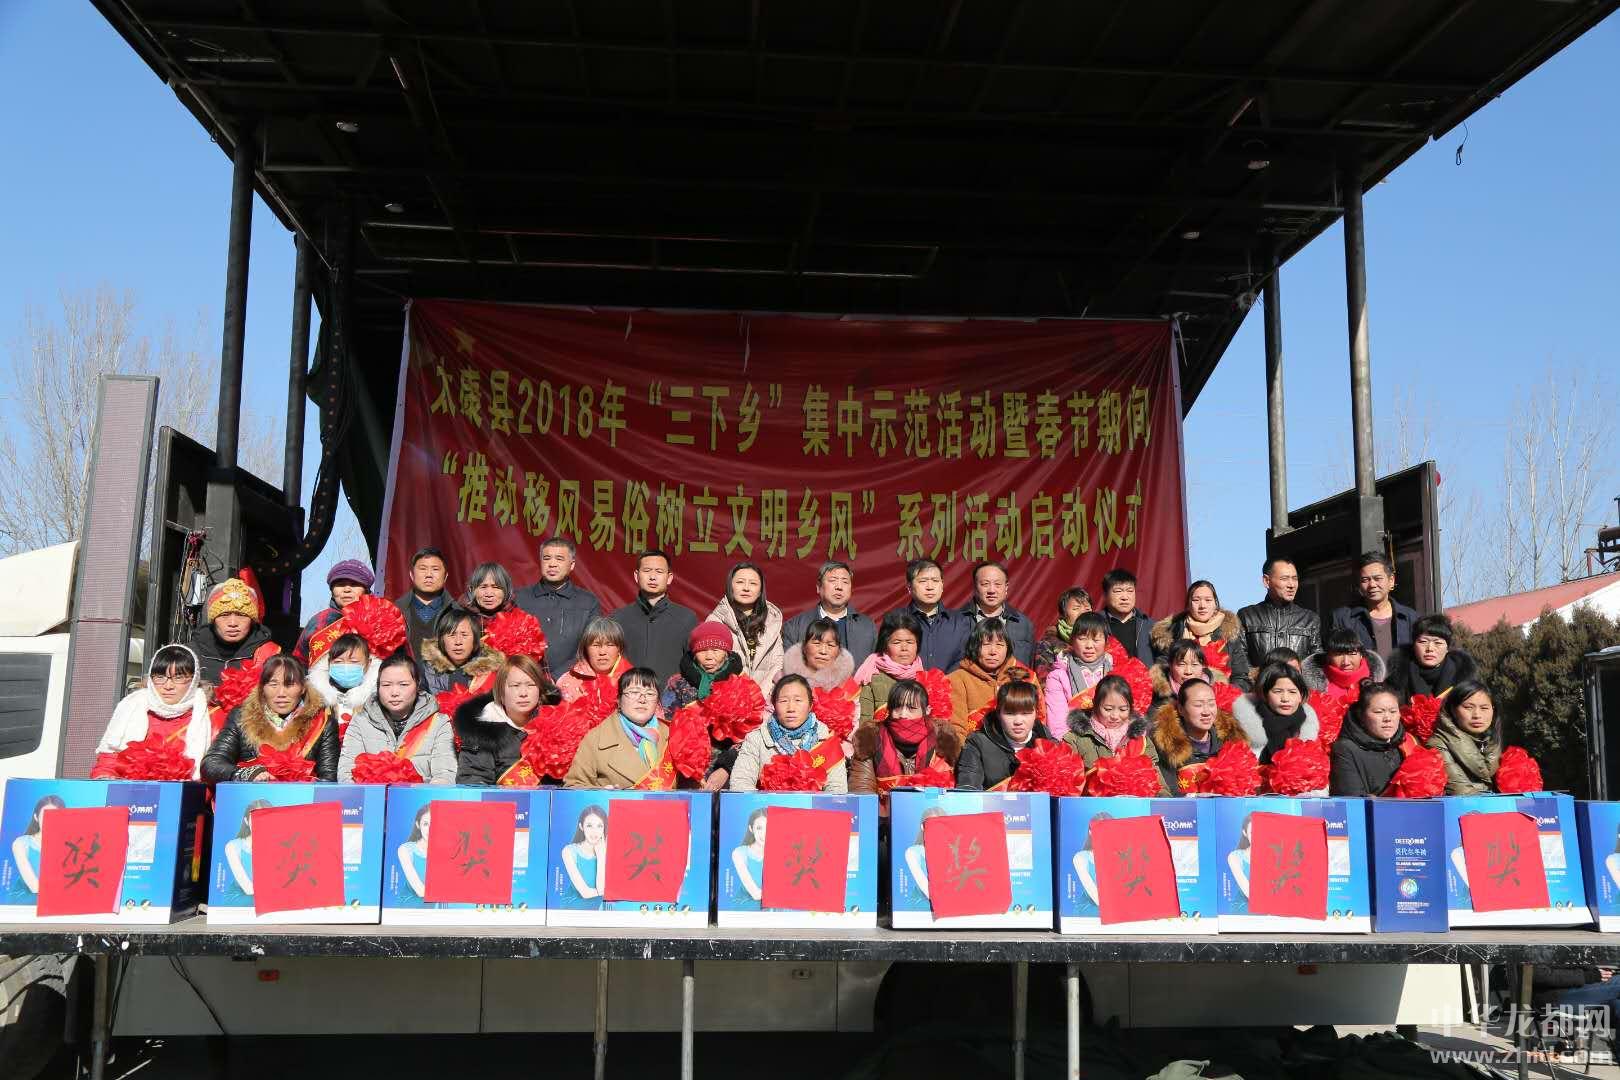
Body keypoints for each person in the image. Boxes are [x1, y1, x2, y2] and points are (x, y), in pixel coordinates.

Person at [200, 655, 338, 782]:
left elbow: (328, 777)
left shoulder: (322, 722)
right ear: (262, 687)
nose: (281, 693)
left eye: (289, 684)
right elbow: (212, 763)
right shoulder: (242, 716)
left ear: (303, 688)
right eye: (273, 684)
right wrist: (246, 774)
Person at [92, 644, 212, 779]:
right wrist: (105, 777)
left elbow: (216, 770)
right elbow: (109, 761)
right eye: (160, 677)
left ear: (194, 679)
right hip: (132, 789)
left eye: (178, 677)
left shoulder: (210, 716)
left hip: (189, 790)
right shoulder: (131, 708)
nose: (168, 686)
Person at [338, 651, 456, 784]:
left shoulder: (438, 723)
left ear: (417, 684)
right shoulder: (361, 722)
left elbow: (445, 776)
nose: (394, 693)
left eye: (403, 685)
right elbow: (346, 773)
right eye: (386, 685)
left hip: (421, 796)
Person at [450, 655, 559, 786]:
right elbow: (473, 782)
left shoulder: (557, 726)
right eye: (515, 685)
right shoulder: (481, 730)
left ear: (540, 690)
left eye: (531, 685)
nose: (523, 693)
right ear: (501, 692)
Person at [729, 675, 848, 792]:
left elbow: (837, 791)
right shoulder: (756, 739)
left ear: (810, 705)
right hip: (767, 805)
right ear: (774, 705)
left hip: (814, 805)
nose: (791, 708)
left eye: (798, 700)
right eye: (783, 701)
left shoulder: (826, 740)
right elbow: (740, 784)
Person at [848, 678, 960, 797]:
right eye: (897, 707)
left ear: (926, 710)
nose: (903, 714)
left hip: (932, 806)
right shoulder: (870, 739)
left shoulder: (944, 740)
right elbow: (862, 789)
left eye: (911, 708)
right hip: (884, 808)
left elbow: (952, 790)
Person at [565, 668, 674, 789]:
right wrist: (601, 793)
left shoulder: (672, 736)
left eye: (650, 694)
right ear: (619, 700)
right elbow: (574, 785)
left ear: (657, 702)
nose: (642, 700)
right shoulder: (596, 739)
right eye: (634, 692)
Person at [1061, 674, 1167, 792]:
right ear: (1095, 704)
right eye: (1108, 709)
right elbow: (1067, 785)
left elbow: (1157, 783)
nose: (1115, 716)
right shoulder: (1074, 739)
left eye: (1123, 709)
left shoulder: (1141, 741)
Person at [514, 536, 602, 678]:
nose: (552, 564)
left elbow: (591, 648)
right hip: (524, 679)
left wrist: (557, 677)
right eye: (547, 558)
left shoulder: (587, 602)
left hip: (570, 681)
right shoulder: (519, 598)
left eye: (559, 559)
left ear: (572, 565)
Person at [611, 549, 699, 686]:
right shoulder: (618, 618)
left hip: (671, 697)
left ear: (669, 578)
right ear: (636, 576)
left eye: (659, 571)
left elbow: (695, 665)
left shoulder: (686, 618)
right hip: (629, 695)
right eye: (647, 571)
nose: (652, 577)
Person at [946, 617, 1038, 738]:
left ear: (1008, 648)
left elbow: (1039, 721)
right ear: (974, 647)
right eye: (986, 644)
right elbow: (956, 730)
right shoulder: (957, 679)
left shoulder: (1024, 676)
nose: (993, 651)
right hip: (974, 747)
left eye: (999, 645)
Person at [1151, 677, 1245, 795]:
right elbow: (1168, 795)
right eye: (1198, 705)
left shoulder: (1230, 743)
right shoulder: (1167, 747)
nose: (1206, 712)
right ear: (1181, 709)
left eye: (1211, 704)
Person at [1151, 580, 1250, 686]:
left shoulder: (1229, 633)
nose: (1202, 606)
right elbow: (1163, 672)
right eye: (1196, 600)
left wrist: (1225, 694)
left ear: (1215, 603)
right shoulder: (1172, 632)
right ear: (1188, 604)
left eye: (1208, 600)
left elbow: (1240, 676)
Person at [956, 680, 1049, 791]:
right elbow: (968, 788)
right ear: (999, 714)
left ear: (1036, 713)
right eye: (1010, 713)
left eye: (1026, 713)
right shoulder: (977, 743)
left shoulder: (1049, 745)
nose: (1018, 721)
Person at [781, 561, 877, 669]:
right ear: (818, 587)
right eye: (833, 580)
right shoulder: (795, 627)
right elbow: (789, 669)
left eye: (845, 582)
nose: (839, 587)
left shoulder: (867, 626)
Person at [706, 562, 784, 693]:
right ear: (730, 586)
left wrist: (759, 696)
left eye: (753, 583)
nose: (746, 588)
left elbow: (777, 664)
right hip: (728, 697)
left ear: (760, 591)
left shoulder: (772, 621)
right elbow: (710, 665)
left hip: (765, 697)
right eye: (740, 582)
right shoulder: (715, 622)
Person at [1330, 551, 1419, 666]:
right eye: (1365, 580)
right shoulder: (1342, 618)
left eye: (1377, 578)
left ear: (1391, 581)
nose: (1372, 585)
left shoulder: (1410, 618)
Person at [189, 575, 279, 685]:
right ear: (213, 620)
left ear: (252, 620)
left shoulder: (270, 655)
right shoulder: (188, 654)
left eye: (241, 615)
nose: (233, 623)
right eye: (224, 615)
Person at [887, 558, 970, 672]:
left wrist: (942, 680)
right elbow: (887, 658)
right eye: (923, 581)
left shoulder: (960, 621)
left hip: (951, 682)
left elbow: (965, 660)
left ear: (942, 585)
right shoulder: (895, 620)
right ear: (909, 588)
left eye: (935, 581)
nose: (930, 587)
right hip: (907, 683)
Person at [1329, 680, 1408, 797]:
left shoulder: (1406, 745)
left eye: (1393, 711)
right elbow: (1351, 799)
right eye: (1379, 712)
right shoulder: (1346, 749)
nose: (1388, 718)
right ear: (1361, 715)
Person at [1426, 680, 1504, 795]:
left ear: (1493, 709)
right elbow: (1460, 790)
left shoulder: (1492, 743)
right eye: (1468, 707)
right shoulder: (1438, 744)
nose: (1477, 715)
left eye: (1484, 708)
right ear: (1453, 710)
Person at [1237, 558, 1321, 665]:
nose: (1291, 585)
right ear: (1266, 581)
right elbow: (1239, 662)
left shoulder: (1310, 619)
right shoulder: (1247, 616)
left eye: (1295, 579)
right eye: (1284, 579)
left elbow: (1316, 663)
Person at [1231, 662, 1320, 763]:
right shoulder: (1243, 727)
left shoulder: (1308, 728)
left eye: (1292, 692)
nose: (1285, 698)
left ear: (1301, 696)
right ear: (1265, 694)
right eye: (1277, 691)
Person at [1043, 612, 1113, 738]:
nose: (1089, 646)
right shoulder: (1058, 677)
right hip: (1076, 741)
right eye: (1082, 639)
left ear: (1106, 641)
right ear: (1072, 640)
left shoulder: (1117, 670)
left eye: (1096, 640)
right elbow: (1057, 726)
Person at [293, 559, 373, 662]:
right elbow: (299, 662)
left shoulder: (379, 620)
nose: (347, 590)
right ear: (332, 591)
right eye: (340, 584)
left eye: (354, 584)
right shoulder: (319, 621)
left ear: (366, 590)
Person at [959, 561, 1036, 668]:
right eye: (985, 584)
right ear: (975, 587)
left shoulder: (1023, 624)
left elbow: (1029, 664)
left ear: (1006, 587)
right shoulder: (956, 621)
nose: (992, 590)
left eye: (997, 584)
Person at [1387, 614, 1478, 701]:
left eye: (1438, 643)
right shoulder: (1397, 679)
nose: (1430, 649)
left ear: (1447, 648)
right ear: (1413, 645)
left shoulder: (1463, 680)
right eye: (1423, 642)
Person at [854, 611, 924, 724]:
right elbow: (865, 725)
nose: (904, 648)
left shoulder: (927, 679)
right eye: (897, 642)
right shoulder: (870, 678)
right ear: (885, 645)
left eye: (910, 642)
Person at [420, 605, 506, 697]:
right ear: (441, 640)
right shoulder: (427, 670)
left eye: (464, 635)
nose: (458, 642)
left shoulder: (492, 672)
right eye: (452, 635)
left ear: (475, 640)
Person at [663, 620, 747, 713]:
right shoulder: (677, 683)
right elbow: (667, 717)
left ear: (726, 654)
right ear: (694, 655)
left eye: (715, 650)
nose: (709, 657)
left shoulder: (740, 682)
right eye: (702, 650)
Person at [306, 632, 379, 738]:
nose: (346, 667)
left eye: (353, 661)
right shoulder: (314, 697)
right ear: (329, 663)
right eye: (338, 661)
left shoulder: (378, 697)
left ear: (369, 663)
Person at [556, 615, 633, 702]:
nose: (602, 652)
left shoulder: (634, 682)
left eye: (609, 645)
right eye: (596, 645)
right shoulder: (567, 682)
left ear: (620, 648)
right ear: (585, 649)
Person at [394, 547, 451, 659]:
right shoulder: (394, 612)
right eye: (423, 569)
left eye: (435, 569)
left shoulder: (458, 613)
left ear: (445, 576)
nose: (429, 574)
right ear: (411, 575)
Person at [1302, 627, 1387, 702]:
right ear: (1328, 656)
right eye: (1338, 654)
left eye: (1352, 653)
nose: (1346, 662)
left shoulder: (1379, 685)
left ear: (1361, 654)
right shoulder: (1311, 690)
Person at [1148, 639, 1228, 717]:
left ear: (1203, 666)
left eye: (1194, 664)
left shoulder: (1219, 692)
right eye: (1182, 664)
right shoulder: (1156, 696)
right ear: (1171, 665)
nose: (1188, 671)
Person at [1033, 586, 1093, 679]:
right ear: (1064, 614)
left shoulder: (1102, 640)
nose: (1083, 612)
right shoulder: (1048, 644)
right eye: (1076, 608)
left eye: (1087, 608)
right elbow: (1044, 678)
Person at [781, 616, 855, 691]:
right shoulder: (784, 683)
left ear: (839, 651)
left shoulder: (848, 686)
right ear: (804, 647)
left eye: (830, 645)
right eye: (817, 643)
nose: (823, 651)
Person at [1100, 568, 1154, 666]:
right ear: (1105, 595)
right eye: (1118, 591)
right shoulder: (1096, 623)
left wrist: (1155, 672)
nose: (1125, 597)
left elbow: (1165, 657)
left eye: (1130, 591)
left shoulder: (1149, 625)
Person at [10, 796, 65, 893]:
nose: (51, 821)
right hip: (28, 898)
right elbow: (34, 887)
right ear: (36, 817)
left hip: (58, 897)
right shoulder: (21, 844)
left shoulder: (67, 845)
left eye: (56, 816)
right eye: (46, 816)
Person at [558, 805, 608, 906]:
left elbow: (602, 889)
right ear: (581, 827)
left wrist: (601, 855)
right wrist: (609, 892)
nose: (594, 831)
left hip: (599, 908)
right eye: (589, 826)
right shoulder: (569, 851)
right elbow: (586, 893)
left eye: (599, 826)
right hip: (574, 906)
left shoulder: (607, 850)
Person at [731, 809, 767, 908]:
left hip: (772, 908)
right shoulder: (739, 853)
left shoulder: (779, 852)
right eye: (759, 828)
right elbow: (756, 894)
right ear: (751, 829)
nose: (764, 833)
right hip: (747, 907)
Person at [462, 561, 517, 625]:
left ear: (506, 590)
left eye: (496, 587)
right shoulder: (459, 621)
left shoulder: (520, 622)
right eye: (483, 587)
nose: (489, 594)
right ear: (471, 590)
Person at [397, 805, 433, 899]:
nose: (430, 829)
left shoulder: (445, 850)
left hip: (435, 906)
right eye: (426, 824)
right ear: (418, 825)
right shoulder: (405, 850)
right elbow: (421, 891)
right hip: (409, 905)